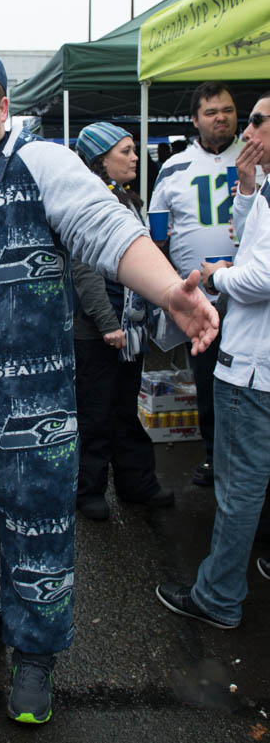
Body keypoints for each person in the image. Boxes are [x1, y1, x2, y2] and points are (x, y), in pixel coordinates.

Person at [0, 44, 218, 724]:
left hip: (30, 398)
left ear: (4, 107)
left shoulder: (39, 164)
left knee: (37, 527)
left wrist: (174, 296)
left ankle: (35, 656)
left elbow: (109, 232)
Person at [156, 91, 270, 629]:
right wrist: (247, 189)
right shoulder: (259, 184)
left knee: (240, 484)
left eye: (253, 120)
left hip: (252, 362)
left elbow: (260, 274)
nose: (244, 130)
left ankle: (219, 597)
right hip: (244, 351)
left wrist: (220, 275)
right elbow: (249, 240)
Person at [72, 123, 173, 521]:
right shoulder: (86, 201)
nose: (135, 158)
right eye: (126, 151)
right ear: (101, 161)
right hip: (101, 331)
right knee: (96, 412)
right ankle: (89, 490)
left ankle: (136, 484)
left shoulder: (129, 200)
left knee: (125, 409)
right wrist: (107, 322)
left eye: (134, 150)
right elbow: (84, 270)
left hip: (130, 331)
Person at [149, 82, 244, 488]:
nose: (220, 117)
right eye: (211, 112)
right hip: (201, 299)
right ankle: (212, 456)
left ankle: (250, 466)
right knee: (207, 383)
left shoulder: (255, 155)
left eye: (227, 110)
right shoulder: (174, 167)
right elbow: (156, 231)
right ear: (194, 120)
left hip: (253, 296)